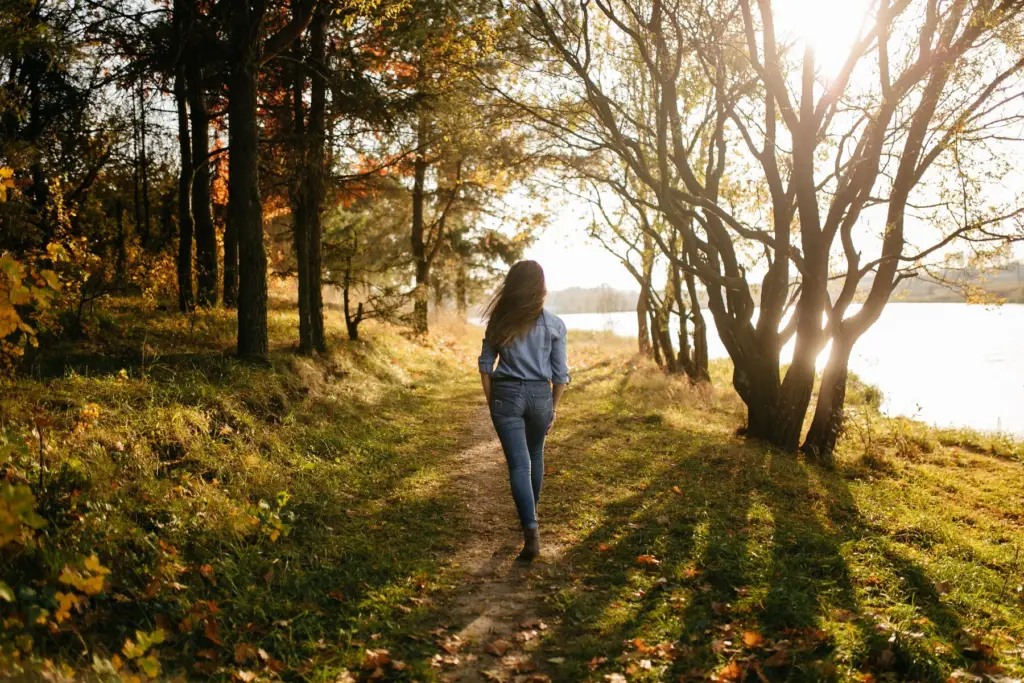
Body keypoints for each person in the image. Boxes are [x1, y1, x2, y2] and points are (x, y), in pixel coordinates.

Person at [478, 260, 569, 562]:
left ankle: (530, 529)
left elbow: (485, 366)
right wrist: (553, 407)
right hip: (540, 396)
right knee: (536, 456)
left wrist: (493, 402)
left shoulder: (499, 322)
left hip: (506, 395)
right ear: (540, 287)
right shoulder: (555, 324)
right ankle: (531, 519)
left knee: (519, 465)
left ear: (512, 286)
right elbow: (560, 375)